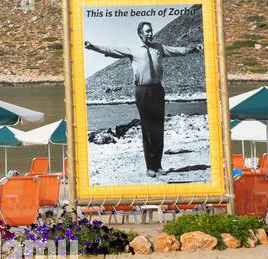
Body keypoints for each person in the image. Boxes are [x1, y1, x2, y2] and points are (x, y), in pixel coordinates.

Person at [85, 21, 201, 179]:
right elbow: (110, 50)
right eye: (146, 31)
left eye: (151, 31)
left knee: (158, 129)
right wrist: (92, 46)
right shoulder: (132, 50)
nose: (150, 34)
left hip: (157, 90)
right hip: (142, 91)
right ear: (140, 34)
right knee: (147, 129)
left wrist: (193, 49)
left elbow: (177, 51)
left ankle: (158, 165)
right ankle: (150, 167)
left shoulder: (159, 48)